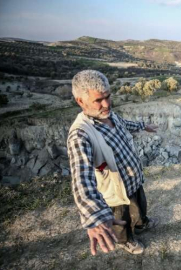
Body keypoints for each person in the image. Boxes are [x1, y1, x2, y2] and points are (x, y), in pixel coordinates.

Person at [67, 70, 159, 255]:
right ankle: (126, 240)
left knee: (139, 206)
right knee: (121, 219)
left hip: (134, 181)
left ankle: (141, 224)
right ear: (80, 101)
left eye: (108, 96)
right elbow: (81, 179)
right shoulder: (80, 134)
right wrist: (94, 216)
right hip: (115, 191)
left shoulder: (108, 114)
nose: (107, 104)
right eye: (99, 100)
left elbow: (123, 123)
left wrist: (142, 126)